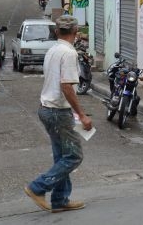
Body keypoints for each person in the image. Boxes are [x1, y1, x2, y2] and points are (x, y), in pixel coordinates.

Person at [24, 15, 91, 213]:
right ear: (76, 32)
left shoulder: (52, 50)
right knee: (73, 156)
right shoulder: (68, 53)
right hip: (57, 112)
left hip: (46, 108)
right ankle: (37, 187)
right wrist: (82, 114)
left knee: (61, 156)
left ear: (56, 32)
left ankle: (60, 199)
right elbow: (67, 87)